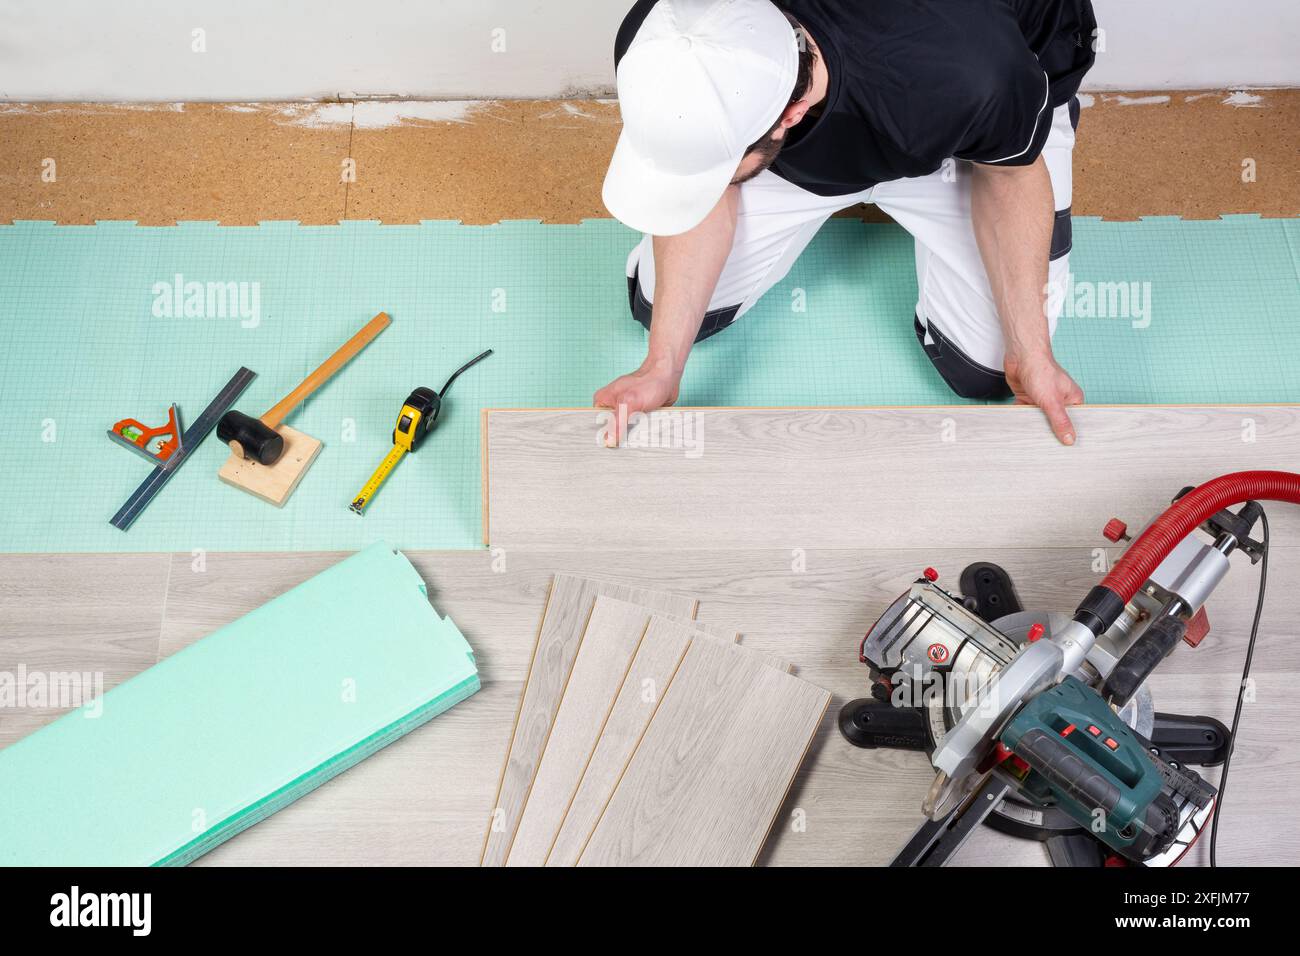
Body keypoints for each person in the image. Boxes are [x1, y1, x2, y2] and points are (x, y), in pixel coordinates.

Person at [595, 0, 1097, 444]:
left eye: (719, 165)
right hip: (863, 109)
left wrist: (1034, 355)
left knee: (988, 372)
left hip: (970, 131)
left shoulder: (973, 75)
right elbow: (711, 181)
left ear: (789, 114)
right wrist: (662, 367)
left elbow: (1010, 181)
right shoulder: (669, 34)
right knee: (663, 309)